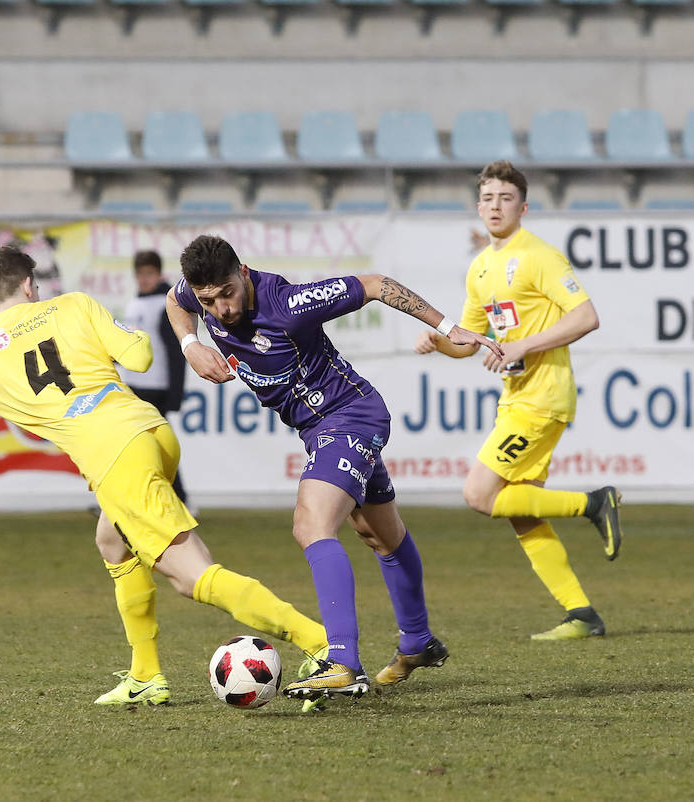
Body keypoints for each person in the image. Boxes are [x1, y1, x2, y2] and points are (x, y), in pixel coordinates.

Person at [0, 245, 328, 707]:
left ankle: (321, 644)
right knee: (112, 540)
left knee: (192, 577)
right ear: (30, 285)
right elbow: (141, 357)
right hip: (151, 432)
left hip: (116, 458)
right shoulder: (75, 304)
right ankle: (146, 675)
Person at [167, 234, 503, 706]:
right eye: (209, 301)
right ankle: (418, 642)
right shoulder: (196, 296)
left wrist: (449, 326)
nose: (220, 309)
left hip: (350, 417)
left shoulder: (287, 304)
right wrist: (189, 345)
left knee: (311, 523)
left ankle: (343, 661)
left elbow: (375, 284)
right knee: (381, 535)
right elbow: (174, 300)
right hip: (319, 428)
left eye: (227, 293)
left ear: (243, 273)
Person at [414, 160, 622, 641]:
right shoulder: (481, 267)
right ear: (478, 206)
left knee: (478, 494)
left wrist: (523, 346)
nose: (495, 206)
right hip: (515, 398)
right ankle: (582, 614)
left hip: (544, 396)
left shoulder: (538, 256)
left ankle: (594, 502)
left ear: (522, 207)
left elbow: (587, 316)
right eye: (487, 198)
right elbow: (471, 341)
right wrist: (440, 343)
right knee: (520, 512)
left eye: (505, 198)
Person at [119, 250, 188, 505]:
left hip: (156, 386)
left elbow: (176, 351)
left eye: (149, 273)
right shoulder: (135, 303)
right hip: (134, 384)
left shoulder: (165, 304)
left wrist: (175, 394)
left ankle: (179, 499)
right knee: (143, 444)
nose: (144, 279)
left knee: (156, 446)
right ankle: (140, 498)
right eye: (140, 273)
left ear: (159, 274)